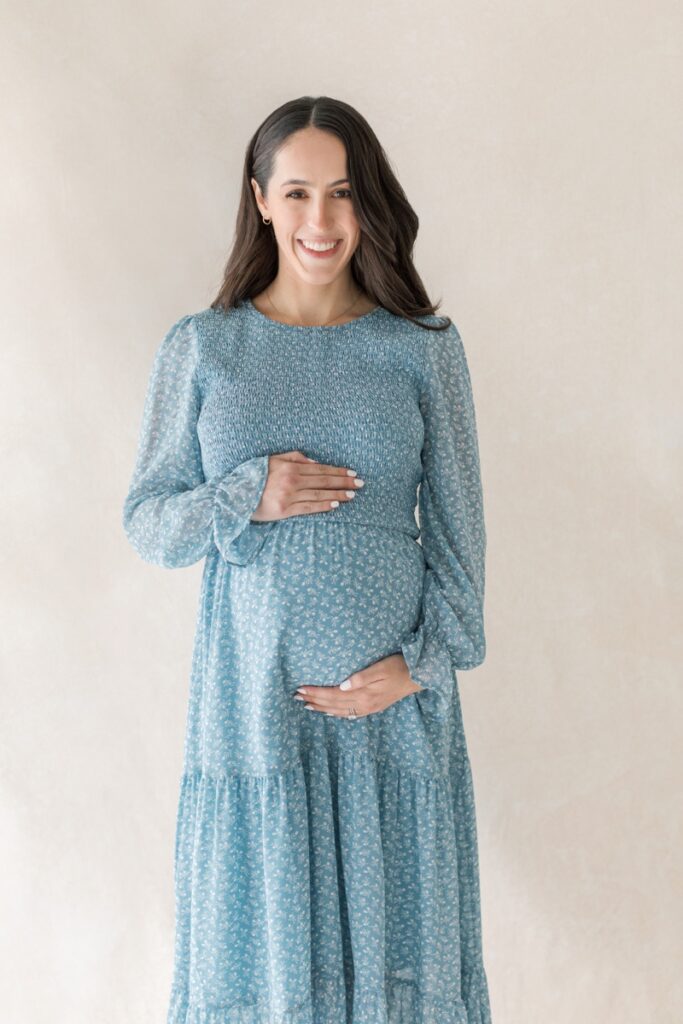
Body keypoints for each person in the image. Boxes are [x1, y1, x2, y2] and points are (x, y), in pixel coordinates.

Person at [122, 95, 492, 1024]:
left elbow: (461, 537)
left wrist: (416, 669)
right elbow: (150, 524)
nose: (320, 221)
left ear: (367, 205)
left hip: (392, 723)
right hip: (253, 720)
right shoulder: (205, 348)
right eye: (297, 193)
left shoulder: (420, 352)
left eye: (341, 194)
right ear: (260, 201)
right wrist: (249, 492)